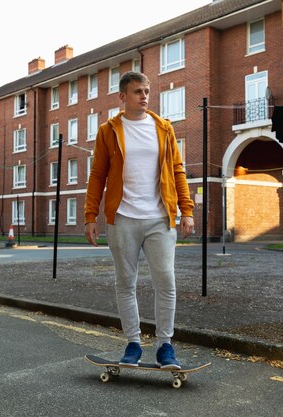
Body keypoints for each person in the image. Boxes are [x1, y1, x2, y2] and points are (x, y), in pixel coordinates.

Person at [84, 71, 194, 369]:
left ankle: (165, 346)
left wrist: (187, 210)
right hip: (122, 219)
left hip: (160, 218)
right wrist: (90, 215)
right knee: (125, 283)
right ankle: (133, 343)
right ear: (122, 97)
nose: (144, 96)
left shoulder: (164, 128)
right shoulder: (109, 131)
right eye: (137, 92)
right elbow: (98, 175)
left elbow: (177, 170)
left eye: (146, 91)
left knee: (166, 281)